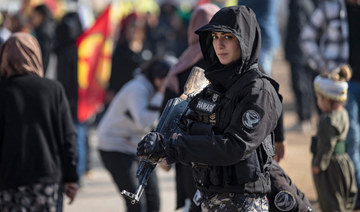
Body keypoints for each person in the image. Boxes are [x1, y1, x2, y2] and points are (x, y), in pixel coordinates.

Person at [137, 5, 283, 211]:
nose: (219, 44)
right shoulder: (215, 85)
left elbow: (235, 147)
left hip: (243, 201)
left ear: (245, 40)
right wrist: (160, 144)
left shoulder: (258, 90)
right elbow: (189, 125)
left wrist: (173, 147)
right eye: (215, 37)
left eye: (228, 37)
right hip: (208, 197)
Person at [0, 33, 78, 211]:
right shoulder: (52, 90)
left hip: (7, 182)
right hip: (46, 182)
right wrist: (71, 178)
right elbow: (67, 137)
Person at [97, 56, 177, 212]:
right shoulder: (137, 88)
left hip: (137, 148)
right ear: (158, 76)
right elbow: (144, 122)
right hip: (115, 147)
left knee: (154, 202)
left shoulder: (153, 89)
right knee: (136, 203)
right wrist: (161, 94)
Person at [162, 3, 220, 211]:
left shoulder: (180, 66)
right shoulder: (224, 62)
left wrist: (163, 150)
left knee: (189, 202)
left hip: (185, 149)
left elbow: (167, 111)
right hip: (217, 150)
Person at [311, 65, 357, 211]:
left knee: (331, 199)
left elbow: (326, 146)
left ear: (326, 99)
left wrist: (318, 164)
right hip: (344, 162)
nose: (318, 101)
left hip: (330, 167)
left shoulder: (327, 120)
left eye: (318, 97)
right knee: (343, 198)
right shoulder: (343, 113)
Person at [54, 11, 89, 183]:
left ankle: (77, 174)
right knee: (80, 136)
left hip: (69, 99)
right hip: (81, 99)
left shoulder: (64, 51)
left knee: (75, 137)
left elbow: (63, 80)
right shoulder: (83, 48)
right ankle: (79, 173)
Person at [284, 0, 316, 133]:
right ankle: (306, 117)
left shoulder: (298, 3)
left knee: (301, 84)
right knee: (305, 84)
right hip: (304, 51)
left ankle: (304, 119)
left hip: (299, 51)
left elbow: (299, 27)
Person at [345, 0, 360, 208]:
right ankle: (357, 189)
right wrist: (324, 66)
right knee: (353, 138)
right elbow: (307, 38)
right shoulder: (333, 9)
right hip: (345, 86)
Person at [28, 4, 55, 74]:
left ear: (41, 16)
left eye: (33, 17)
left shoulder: (44, 33)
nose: (31, 20)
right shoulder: (49, 28)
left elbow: (44, 57)